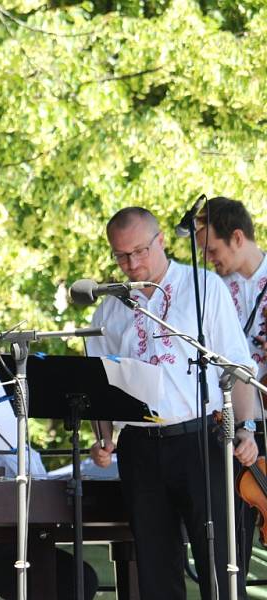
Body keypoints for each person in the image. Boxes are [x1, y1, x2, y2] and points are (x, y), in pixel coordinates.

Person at [87, 206, 258, 600]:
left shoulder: (204, 287)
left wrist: (245, 429)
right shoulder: (109, 308)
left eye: (140, 251)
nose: (132, 263)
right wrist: (104, 438)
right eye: (122, 255)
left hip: (202, 438)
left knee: (221, 565)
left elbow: (235, 364)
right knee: (155, 566)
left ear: (161, 241)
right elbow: (100, 387)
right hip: (141, 447)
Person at [0, 343, 98, 600]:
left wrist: (12, 436)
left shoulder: (3, 415)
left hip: (15, 537)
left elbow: (37, 478)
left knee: (80, 578)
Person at [195, 196, 267, 577]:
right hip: (231, 419)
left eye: (212, 249)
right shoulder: (212, 289)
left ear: (237, 237)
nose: (207, 258)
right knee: (231, 536)